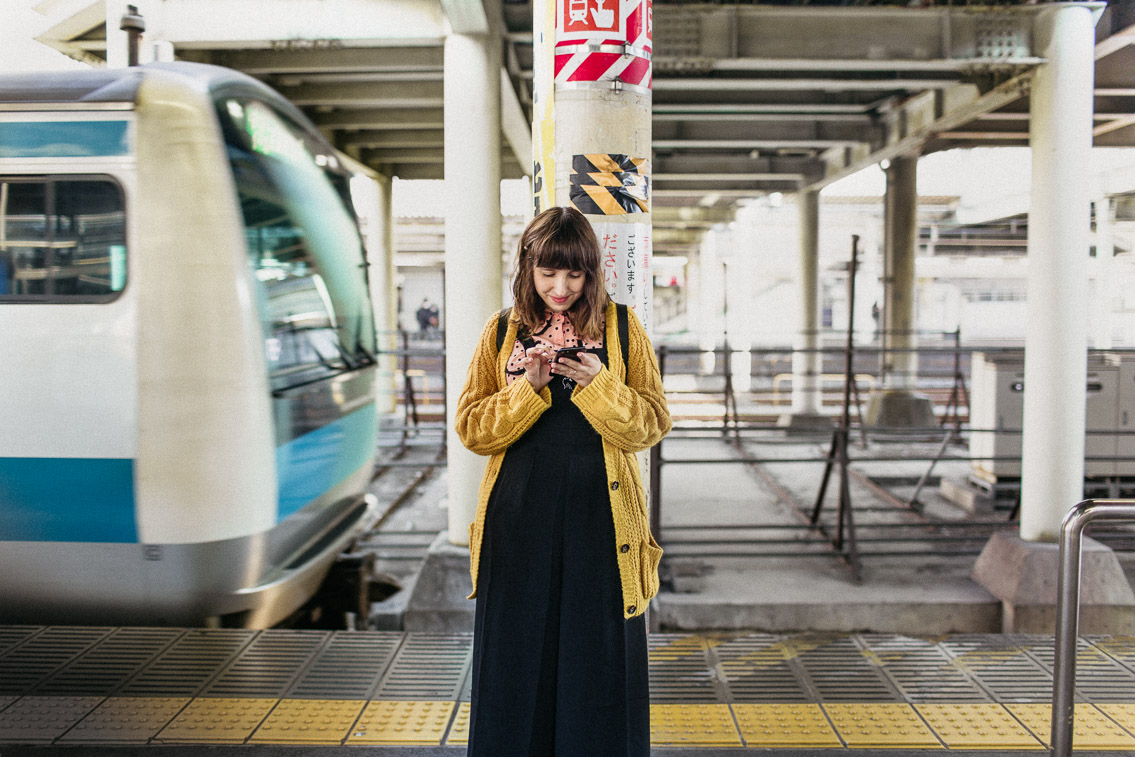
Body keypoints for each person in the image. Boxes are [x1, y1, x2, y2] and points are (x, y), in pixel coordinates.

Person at [455, 206, 671, 756]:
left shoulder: (622, 327)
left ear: (591, 273)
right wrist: (528, 388)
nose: (560, 287)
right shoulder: (502, 330)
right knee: (515, 654)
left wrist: (599, 384)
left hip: (603, 517)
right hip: (517, 517)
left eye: (574, 274)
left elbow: (651, 423)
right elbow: (472, 429)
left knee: (596, 655)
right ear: (527, 267)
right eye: (548, 272)